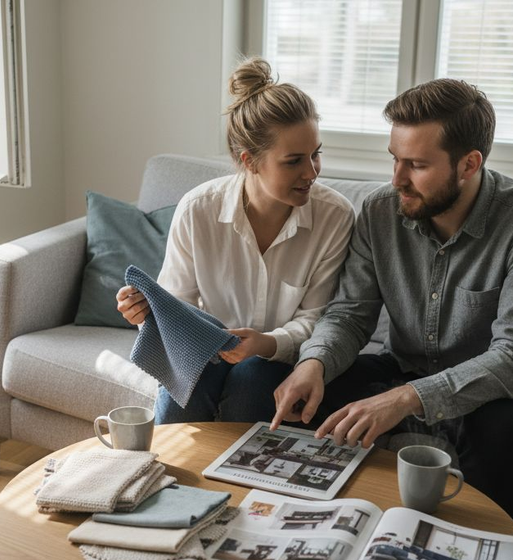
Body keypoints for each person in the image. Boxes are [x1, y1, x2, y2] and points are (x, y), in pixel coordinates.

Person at [271, 78, 513, 523]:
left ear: (469, 164)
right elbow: (350, 314)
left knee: (496, 432)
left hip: (502, 391)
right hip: (402, 366)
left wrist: (406, 399)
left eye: (417, 165)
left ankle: (479, 554)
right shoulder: (379, 211)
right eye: (394, 159)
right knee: (296, 392)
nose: (397, 179)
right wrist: (313, 362)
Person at [116, 57, 355, 425]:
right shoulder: (198, 210)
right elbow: (176, 305)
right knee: (194, 379)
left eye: (315, 154)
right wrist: (146, 313)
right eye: (294, 161)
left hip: (278, 360)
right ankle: (170, 460)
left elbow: (317, 319)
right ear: (250, 161)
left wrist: (266, 343)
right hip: (205, 354)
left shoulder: (334, 217)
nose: (311, 172)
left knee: (252, 378)